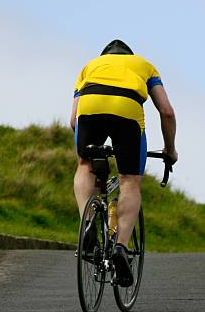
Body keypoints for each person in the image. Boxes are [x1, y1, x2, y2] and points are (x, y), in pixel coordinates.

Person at [70, 39, 177, 287]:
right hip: (127, 109)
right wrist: (170, 150)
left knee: (85, 166)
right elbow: (167, 112)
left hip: (90, 105)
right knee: (129, 182)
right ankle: (120, 247)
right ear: (129, 55)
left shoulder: (89, 66)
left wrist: (88, 153)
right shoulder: (144, 65)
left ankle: (87, 225)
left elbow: (74, 121)